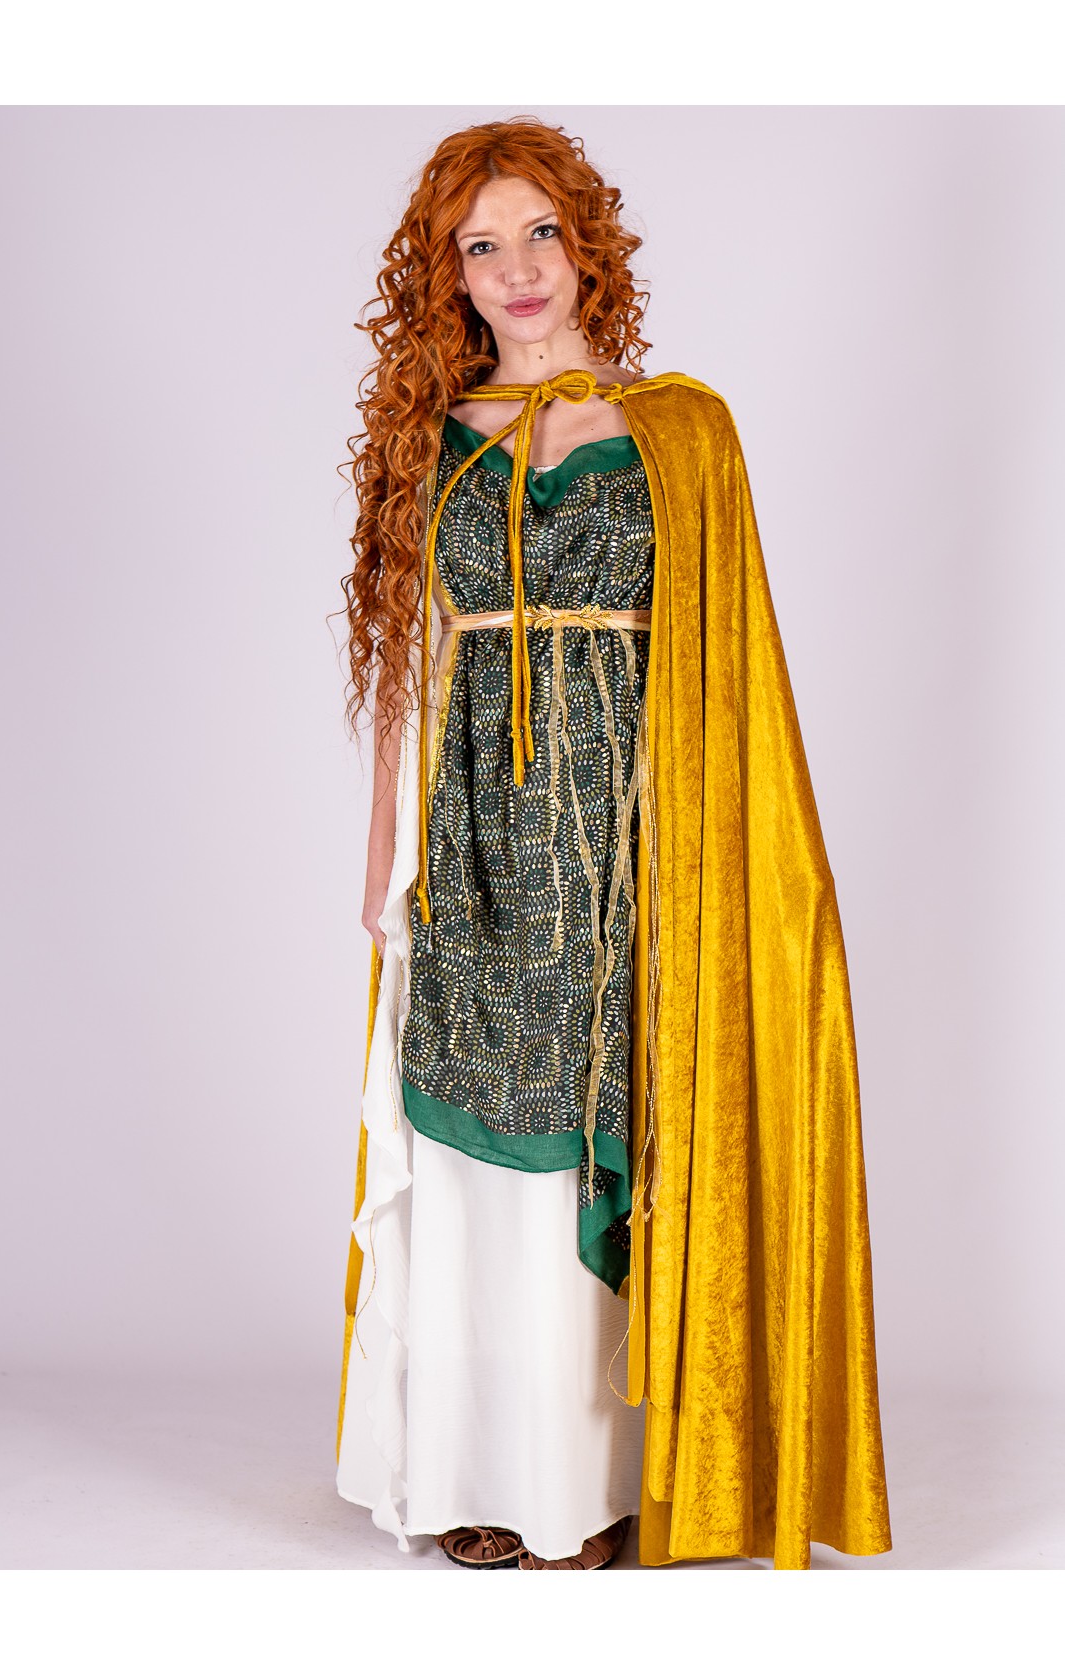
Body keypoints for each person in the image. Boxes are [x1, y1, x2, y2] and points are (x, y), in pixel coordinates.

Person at [332, 117, 892, 1572]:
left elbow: (733, 664)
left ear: (586, 245)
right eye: (481, 247)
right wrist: (384, 842)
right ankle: (476, 1471)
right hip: (472, 831)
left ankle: (587, 1491)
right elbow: (409, 655)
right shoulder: (428, 439)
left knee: (602, 1133)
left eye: (539, 233)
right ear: (450, 278)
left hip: (628, 833)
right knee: (473, 1151)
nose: (517, 269)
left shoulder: (681, 432)